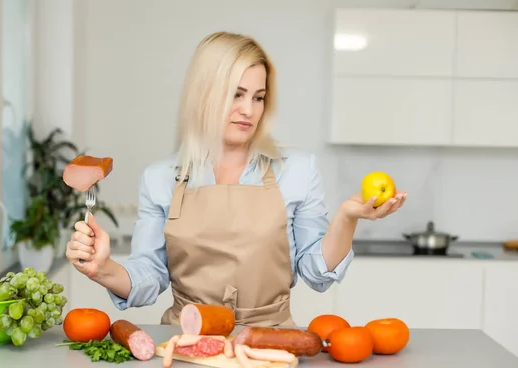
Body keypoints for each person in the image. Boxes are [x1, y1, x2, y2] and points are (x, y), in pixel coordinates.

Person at [65, 31, 407, 327]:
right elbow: (149, 275)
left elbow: (317, 273)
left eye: (258, 97)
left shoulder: (298, 170)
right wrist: (103, 268)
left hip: (271, 343)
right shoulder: (160, 178)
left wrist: (347, 220)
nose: (249, 110)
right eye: (236, 94)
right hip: (186, 342)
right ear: (204, 94)